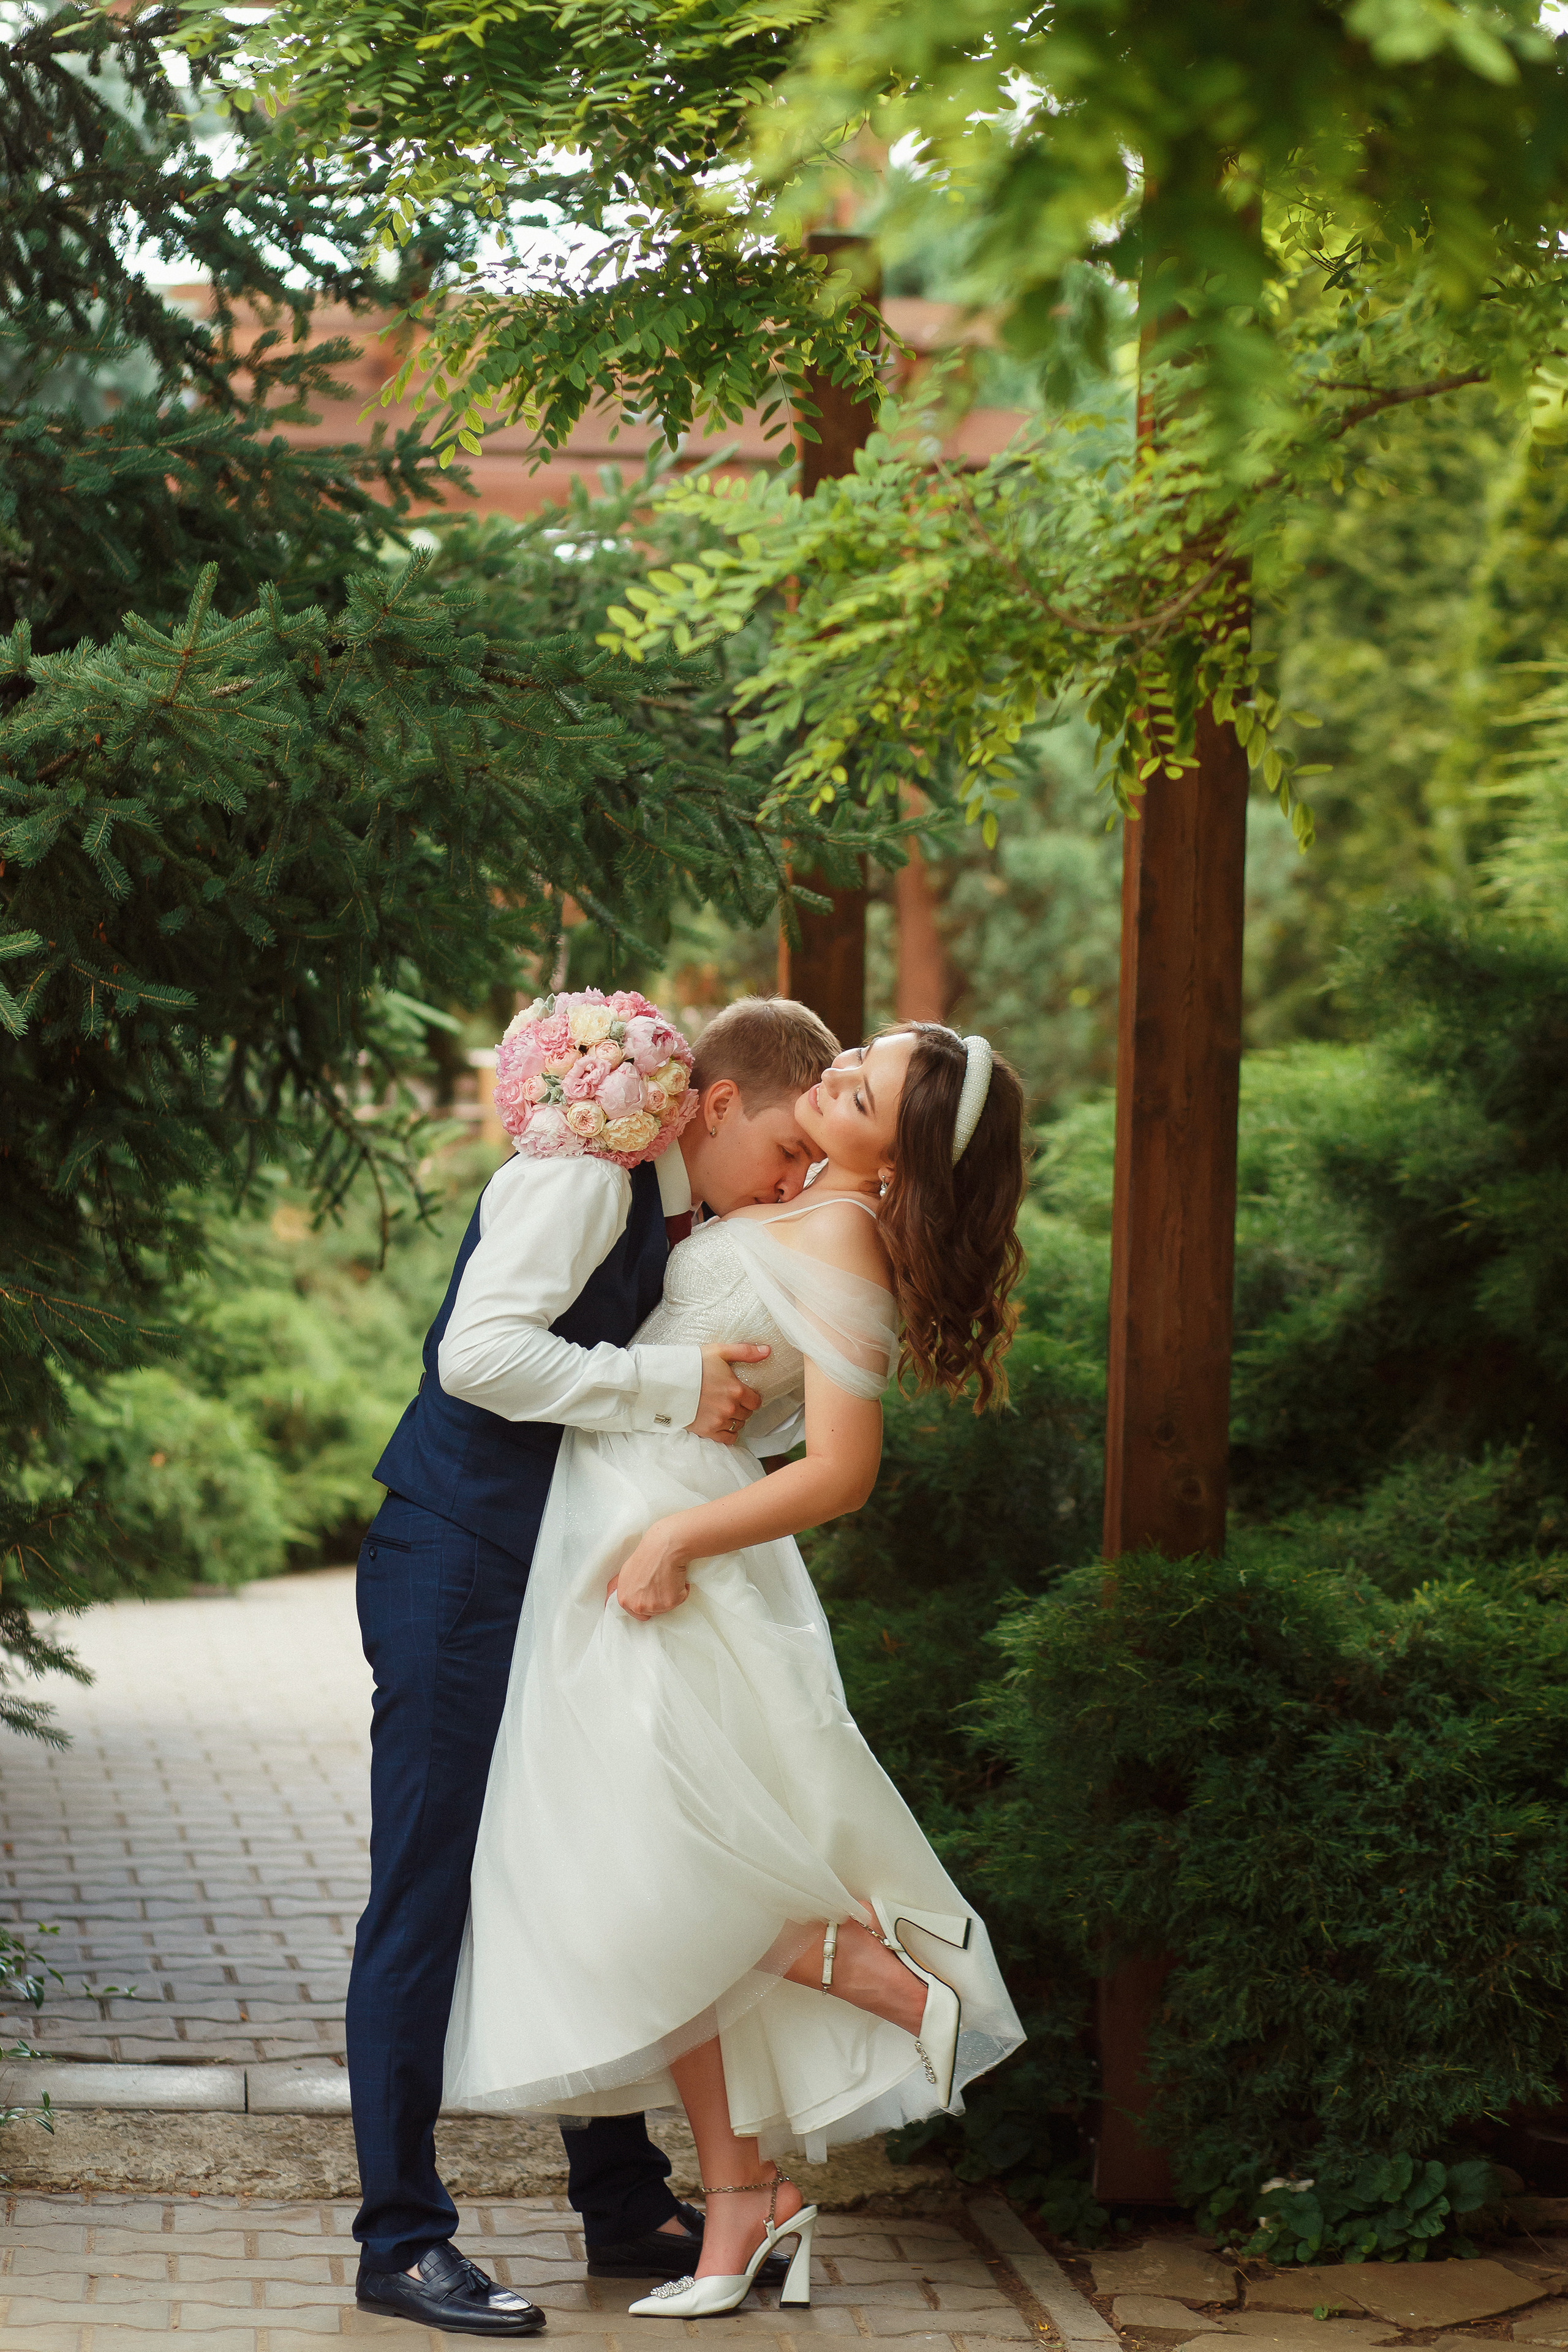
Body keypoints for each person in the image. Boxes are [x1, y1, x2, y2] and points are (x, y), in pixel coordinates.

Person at [444, 1023, 1030, 2321]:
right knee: (657, 1877)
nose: (828, 1084)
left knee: (659, 1869)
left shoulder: (841, 1235)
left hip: (677, 1548)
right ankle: (741, 2206)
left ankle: (886, 1972)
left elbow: (837, 1471)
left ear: (901, 1152)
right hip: (614, 1525)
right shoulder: (797, 1199)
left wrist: (676, 1538)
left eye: (856, 1091)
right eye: (840, 1068)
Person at [350, 994, 840, 2340]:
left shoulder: (687, 1216)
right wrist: (670, 1386)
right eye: (789, 1150)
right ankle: (399, 2241)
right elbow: (479, 1356)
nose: (796, 1182)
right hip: (458, 1564)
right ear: (722, 1104)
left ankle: (621, 2204)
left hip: (561, 1575)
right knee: (426, 1889)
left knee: (592, 1872)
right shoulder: (583, 1175)